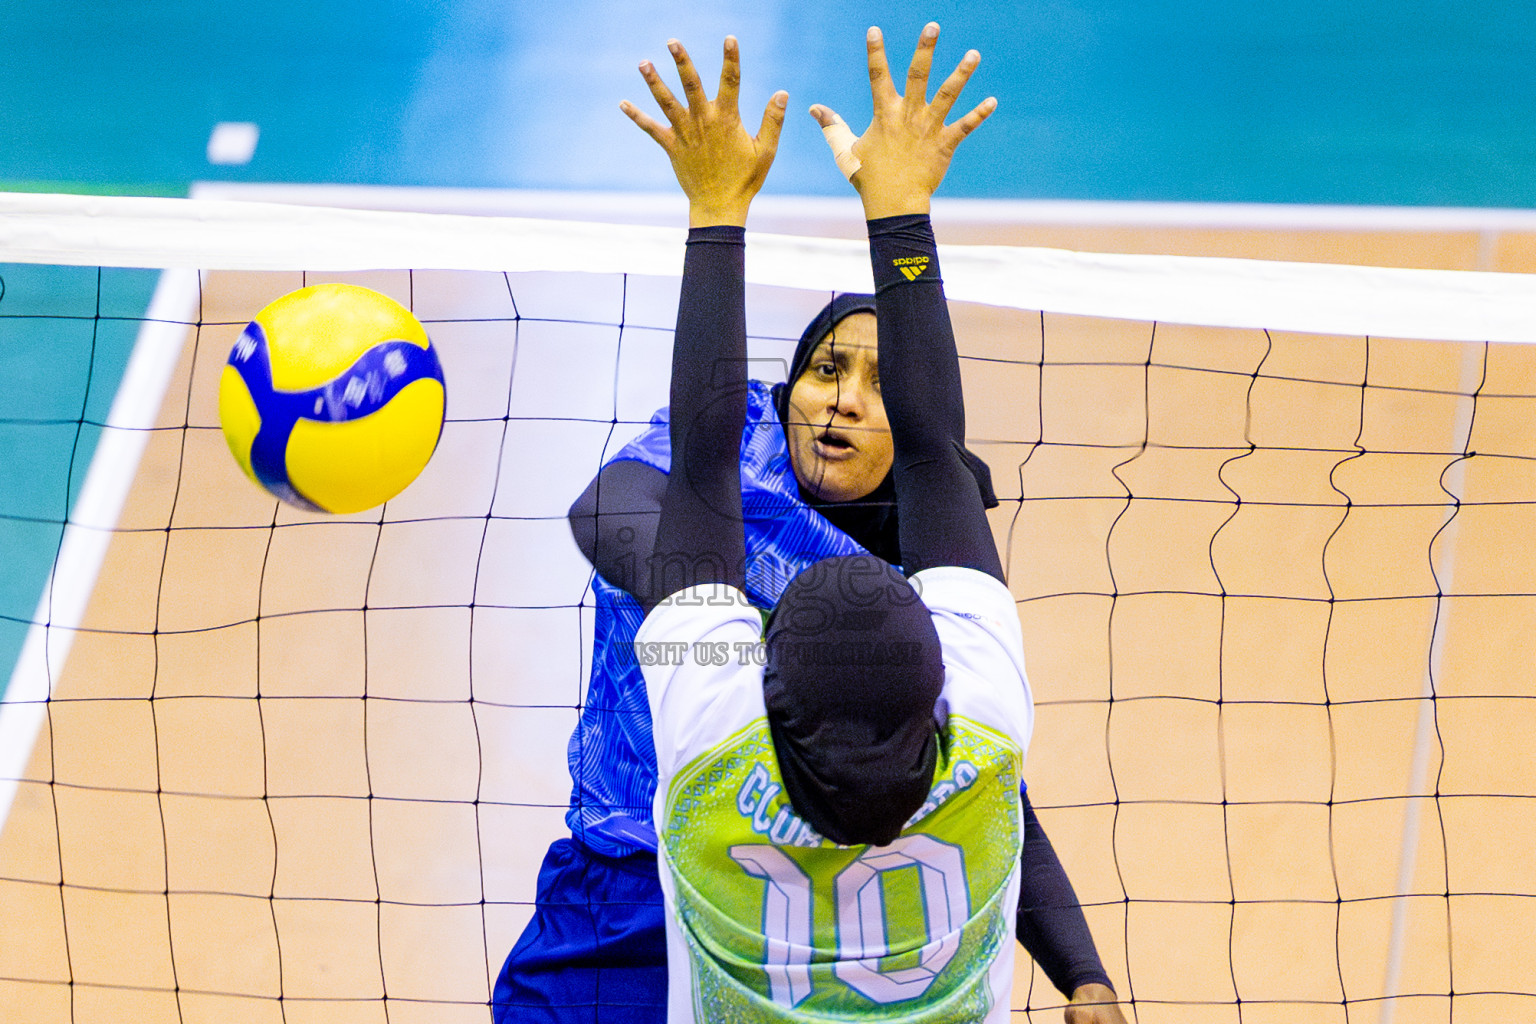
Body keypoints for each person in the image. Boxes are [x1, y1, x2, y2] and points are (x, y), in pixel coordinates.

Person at [493, 26, 1127, 1024]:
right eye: (828, 368)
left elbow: (997, 795)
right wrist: (824, 616)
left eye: (877, 384)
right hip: (620, 880)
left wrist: (1082, 968)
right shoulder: (744, 438)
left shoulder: (901, 558)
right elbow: (605, 512)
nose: (842, 400)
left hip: (783, 882)